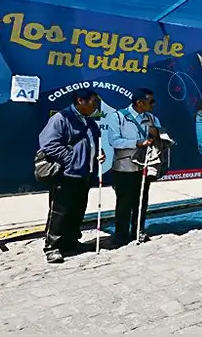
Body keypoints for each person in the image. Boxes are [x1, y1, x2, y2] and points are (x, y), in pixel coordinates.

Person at [38, 89, 104, 264]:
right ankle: (52, 247)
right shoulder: (61, 118)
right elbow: (48, 143)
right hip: (66, 174)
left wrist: (98, 154)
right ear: (80, 101)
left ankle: (71, 241)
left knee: (77, 210)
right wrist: (71, 160)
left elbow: (93, 144)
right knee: (59, 212)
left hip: (85, 174)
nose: (96, 105)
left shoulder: (90, 122)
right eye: (93, 101)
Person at [109, 88, 161, 246]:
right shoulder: (118, 117)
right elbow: (114, 141)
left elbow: (160, 136)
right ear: (139, 102)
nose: (153, 104)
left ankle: (138, 230)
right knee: (124, 202)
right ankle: (121, 235)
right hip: (124, 167)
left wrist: (156, 134)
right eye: (150, 101)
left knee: (141, 200)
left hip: (144, 166)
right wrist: (136, 143)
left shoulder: (151, 118)